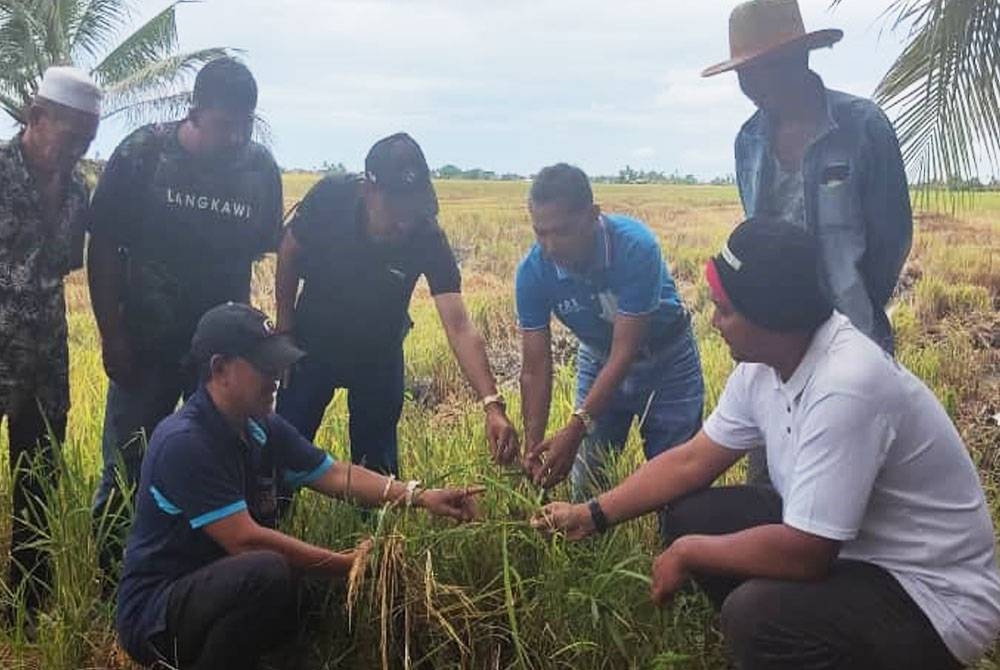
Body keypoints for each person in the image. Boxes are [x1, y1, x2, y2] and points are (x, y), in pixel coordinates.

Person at [533, 218, 1000, 669]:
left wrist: (689, 552)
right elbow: (692, 461)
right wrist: (591, 514)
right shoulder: (763, 365)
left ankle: (792, 637)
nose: (714, 322)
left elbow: (807, 554)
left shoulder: (846, 385)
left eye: (726, 309)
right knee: (691, 515)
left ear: (772, 316)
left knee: (754, 615)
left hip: (932, 598)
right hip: (855, 552)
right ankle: (792, 641)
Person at [116, 302, 483, 670]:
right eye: (264, 366)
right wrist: (347, 566)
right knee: (268, 572)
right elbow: (246, 540)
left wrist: (420, 496)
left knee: (305, 593)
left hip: (216, 587)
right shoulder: (185, 442)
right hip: (157, 613)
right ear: (220, 369)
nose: (276, 376)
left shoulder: (260, 427)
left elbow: (336, 474)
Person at [87, 58, 283, 564]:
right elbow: (104, 247)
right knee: (129, 461)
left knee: (218, 458)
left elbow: (254, 255)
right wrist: (112, 334)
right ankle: (116, 577)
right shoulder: (142, 155)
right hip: (146, 342)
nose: (237, 137)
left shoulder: (259, 170)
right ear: (194, 111)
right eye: (225, 125)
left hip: (219, 357)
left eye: (245, 125)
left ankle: (196, 569)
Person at [275, 132, 518, 475]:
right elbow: (289, 252)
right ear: (369, 190)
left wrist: (492, 404)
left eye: (413, 210)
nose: (405, 222)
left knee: (379, 469)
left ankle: (374, 528)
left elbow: (459, 326)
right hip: (312, 343)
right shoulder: (332, 197)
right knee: (284, 454)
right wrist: (284, 330)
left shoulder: (427, 236)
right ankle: (269, 521)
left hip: (379, 352)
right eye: (396, 210)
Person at [702, 0, 912, 354]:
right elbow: (759, 238)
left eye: (766, 69)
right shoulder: (748, 141)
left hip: (854, 335)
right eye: (744, 74)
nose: (753, 86)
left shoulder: (863, 127)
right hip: (776, 340)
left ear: (799, 59)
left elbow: (892, 240)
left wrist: (854, 299)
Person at [517, 164, 703, 499]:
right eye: (540, 233)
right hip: (598, 355)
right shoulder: (533, 272)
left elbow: (625, 352)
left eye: (561, 232)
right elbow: (535, 367)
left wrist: (575, 428)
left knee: (678, 482)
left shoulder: (635, 247)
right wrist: (533, 445)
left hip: (667, 360)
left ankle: (677, 548)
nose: (549, 246)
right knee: (588, 484)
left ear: (592, 215)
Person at [0, 66, 101, 614]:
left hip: (44, 356)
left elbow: (65, 263)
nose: (78, 151)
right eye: (72, 137)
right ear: (37, 119)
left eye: (87, 141)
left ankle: (25, 603)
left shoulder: (77, 191)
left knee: (37, 479)